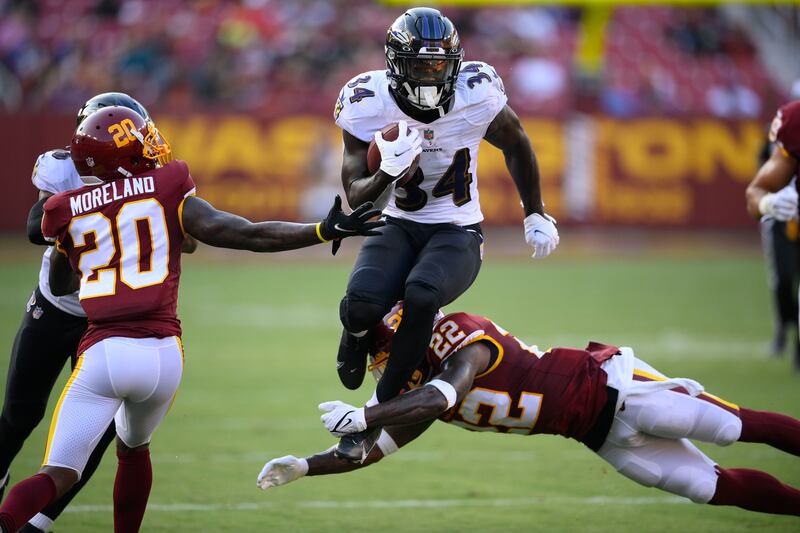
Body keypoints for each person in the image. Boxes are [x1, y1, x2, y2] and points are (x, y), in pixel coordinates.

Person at [0, 106, 383, 533]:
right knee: (134, 450)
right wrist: (321, 231)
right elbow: (245, 233)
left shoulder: (66, 208)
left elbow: (63, 281)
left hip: (105, 353)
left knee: (58, 474)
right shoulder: (167, 186)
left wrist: (77, 241)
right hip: (165, 357)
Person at [258, 303, 800, 517]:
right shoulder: (416, 391)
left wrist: (368, 414)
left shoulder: (458, 335)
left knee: (729, 426)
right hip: (597, 434)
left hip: (613, 386)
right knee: (706, 486)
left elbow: (449, 390)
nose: (383, 371)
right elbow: (371, 451)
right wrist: (307, 465)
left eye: (383, 358)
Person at [332, 7, 559, 461]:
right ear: (395, 64)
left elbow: (517, 142)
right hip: (396, 222)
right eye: (420, 65)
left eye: (440, 65)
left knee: (421, 296)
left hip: (456, 228)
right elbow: (357, 196)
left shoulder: (476, 92)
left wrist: (535, 212)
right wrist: (387, 173)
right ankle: (356, 334)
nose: (432, 76)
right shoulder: (366, 98)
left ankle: (377, 413)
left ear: (455, 63)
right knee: (360, 307)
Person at [0, 92, 198, 533]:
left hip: (110, 319)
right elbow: (38, 228)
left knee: (91, 442)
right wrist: (88, 203)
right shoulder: (63, 168)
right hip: (59, 308)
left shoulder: (154, 179)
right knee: (20, 413)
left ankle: (38, 523)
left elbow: (187, 239)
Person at [746, 98, 800, 370]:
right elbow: (755, 192)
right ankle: (786, 334)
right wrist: (771, 203)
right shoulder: (793, 122)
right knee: (785, 279)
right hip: (788, 219)